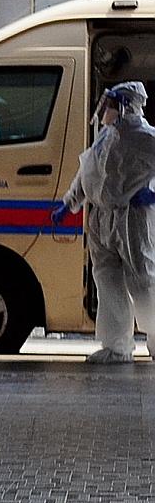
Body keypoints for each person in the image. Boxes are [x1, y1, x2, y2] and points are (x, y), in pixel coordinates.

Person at [57, 81, 155, 363]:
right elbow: (87, 172)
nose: (106, 110)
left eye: (111, 104)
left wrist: (151, 194)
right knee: (107, 280)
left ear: (126, 106)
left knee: (143, 281)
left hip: (131, 219)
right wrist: (69, 203)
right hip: (101, 217)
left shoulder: (146, 137)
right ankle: (117, 346)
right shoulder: (105, 136)